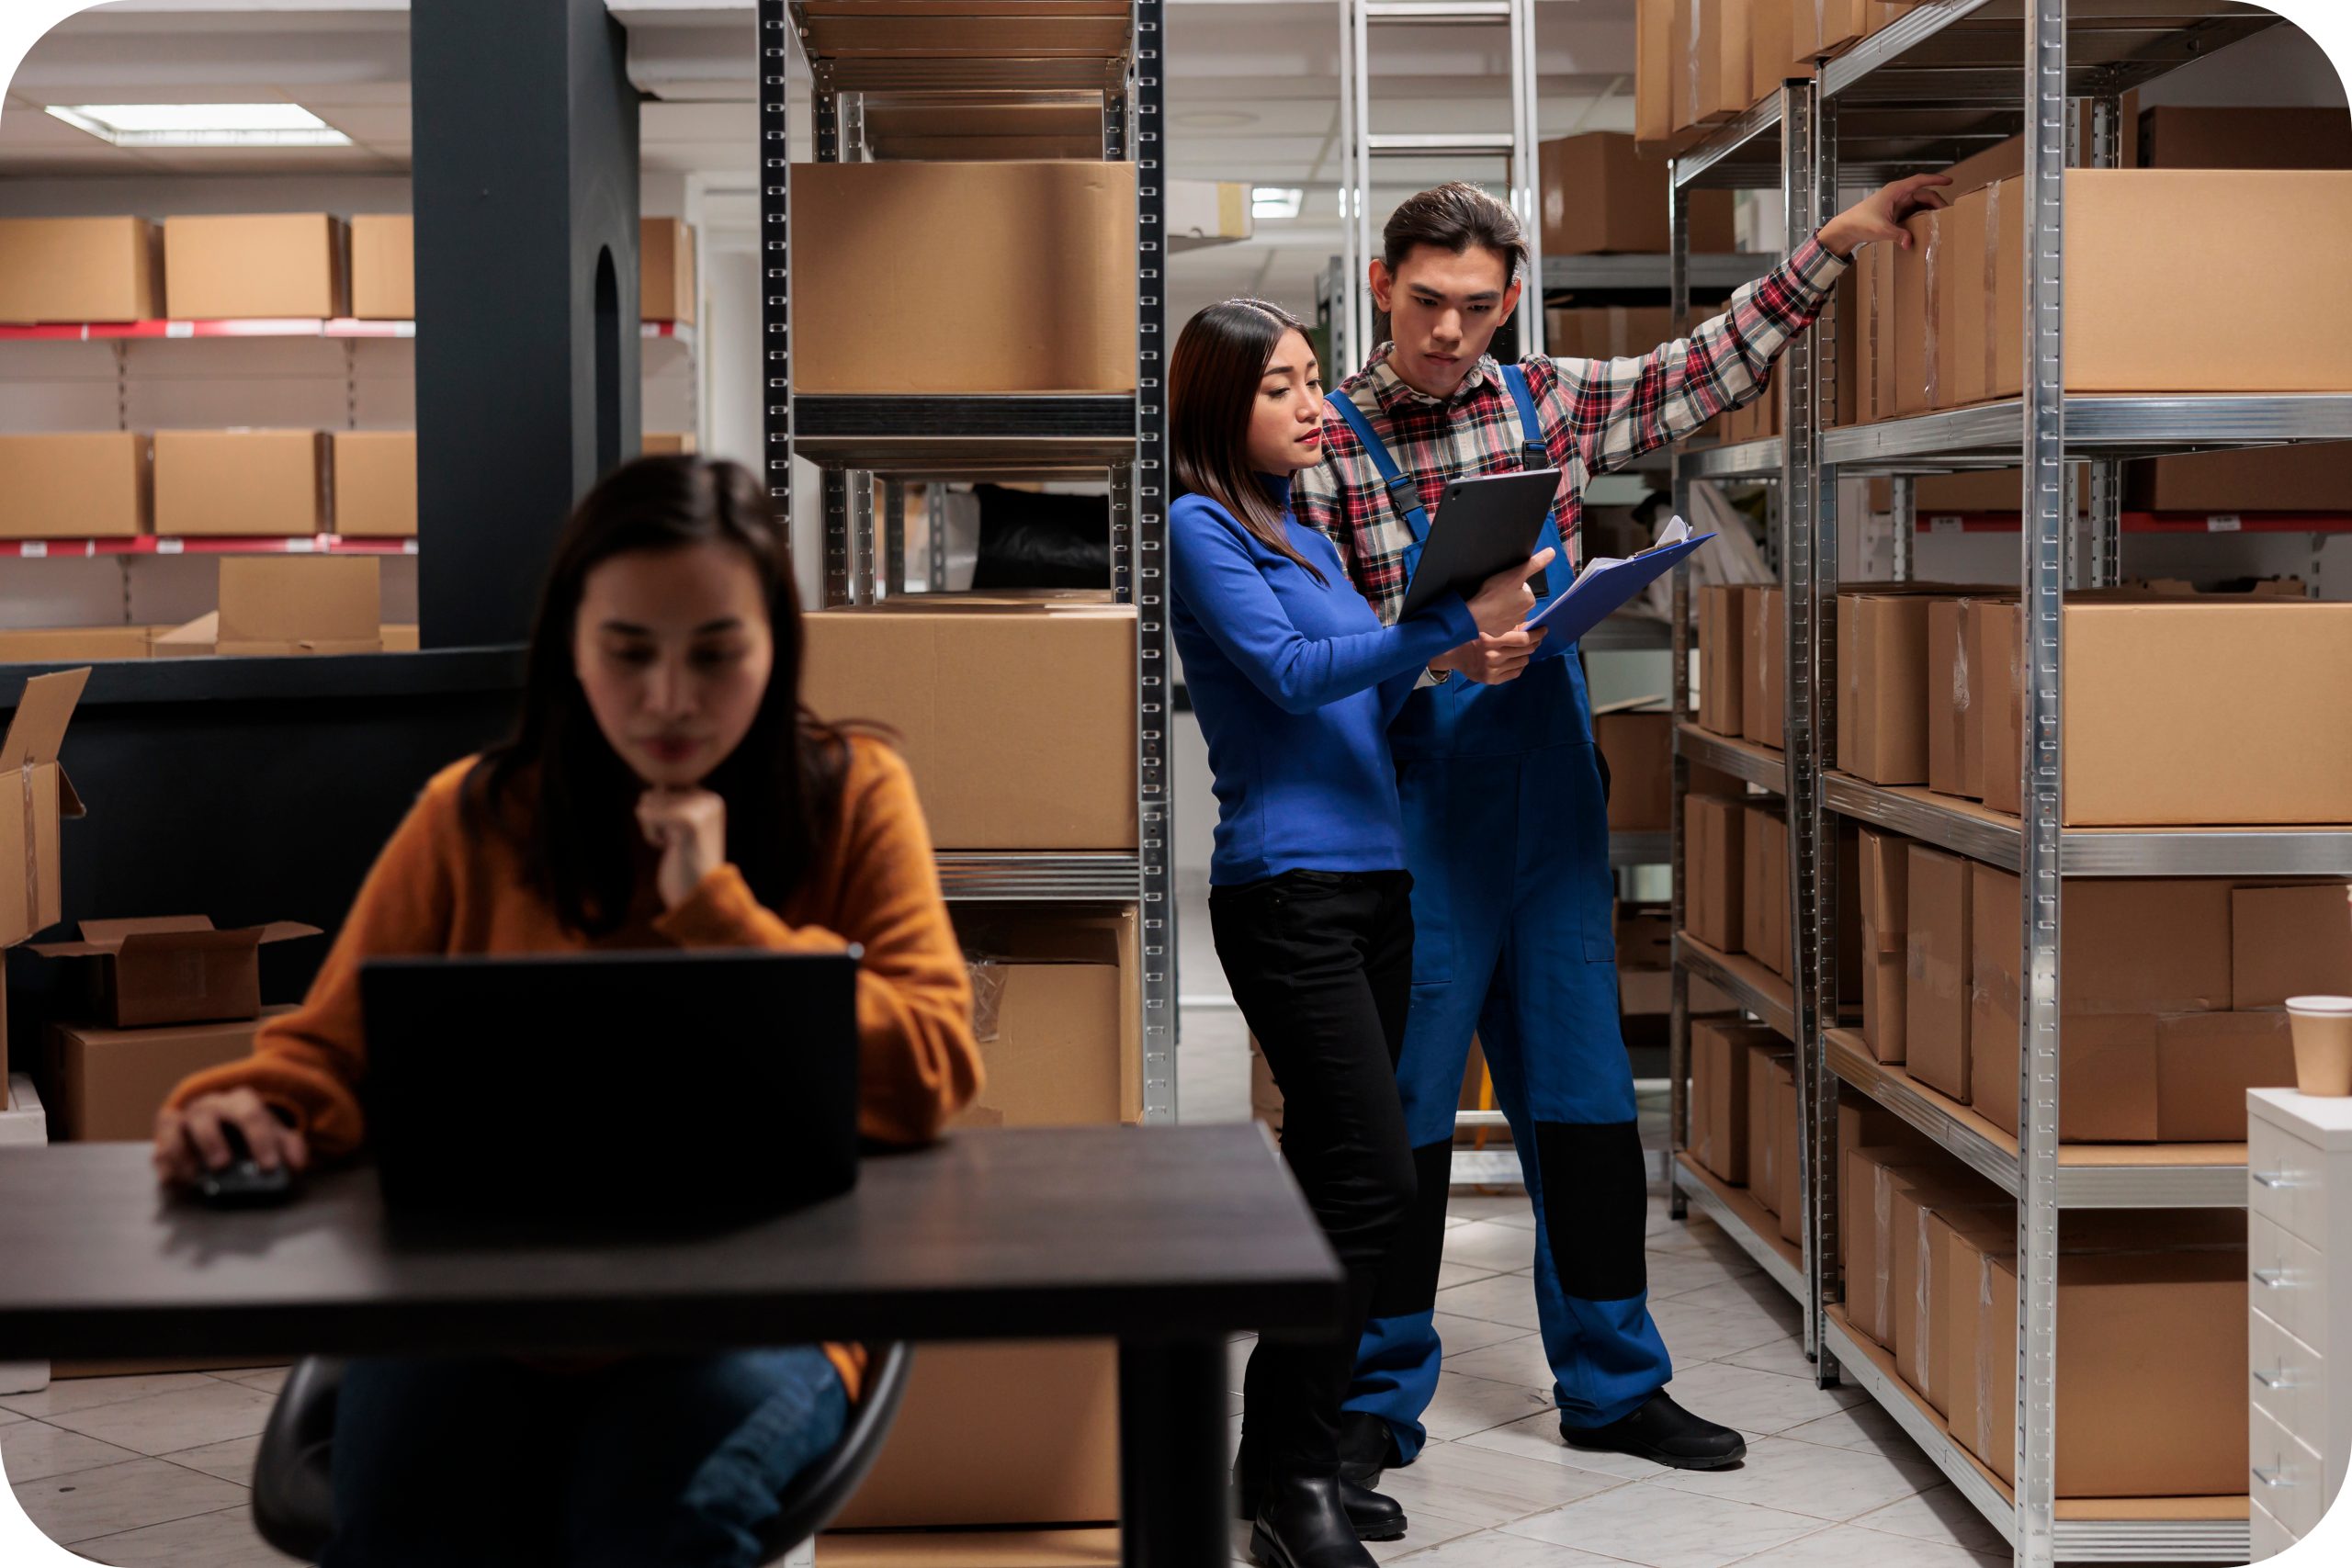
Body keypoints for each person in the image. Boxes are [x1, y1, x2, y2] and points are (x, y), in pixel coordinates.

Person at [152, 455, 983, 1568]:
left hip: (758, 1305)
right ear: (571, 647)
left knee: (648, 1514)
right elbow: (324, 1055)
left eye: (717, 654)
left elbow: (931, 1067)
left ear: (776, 643)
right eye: (628, 653)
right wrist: (245, 1106)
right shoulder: (476, 815)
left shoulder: (852, 794)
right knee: (414, 1516)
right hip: (484, 1304)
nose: (671, 699)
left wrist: (716, 911)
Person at [1297, 175, 1950, 1478]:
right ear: (1382, 287)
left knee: (1589, 1106)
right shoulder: (1324, 441)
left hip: (1549, 810)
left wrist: (1826, 248)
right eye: (1426, 303)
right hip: (1412, 809)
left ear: (1510, 300)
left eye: (1478, 307)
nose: (1449, 332)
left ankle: (1612, 1379)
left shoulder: (1551, 400)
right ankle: (1375, 1395)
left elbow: (1704, 369)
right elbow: (1316, 650)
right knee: (1408, 1115)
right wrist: (1432, 659)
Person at [1168, 298, 1549, 1568]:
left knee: (1352, 1180)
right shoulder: (1204, 527)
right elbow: (1284, 675)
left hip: (1376, 883)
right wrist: (1445, 625)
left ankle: (1282, 1452)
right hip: (1287, 892)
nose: (1315, 404)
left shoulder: (1312, 532)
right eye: (1284, 386)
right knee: (1372, 1177)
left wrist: (1453, 660)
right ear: (1224, 403)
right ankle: (1295, 1473)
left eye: (1316, 381)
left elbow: (1360, 689)